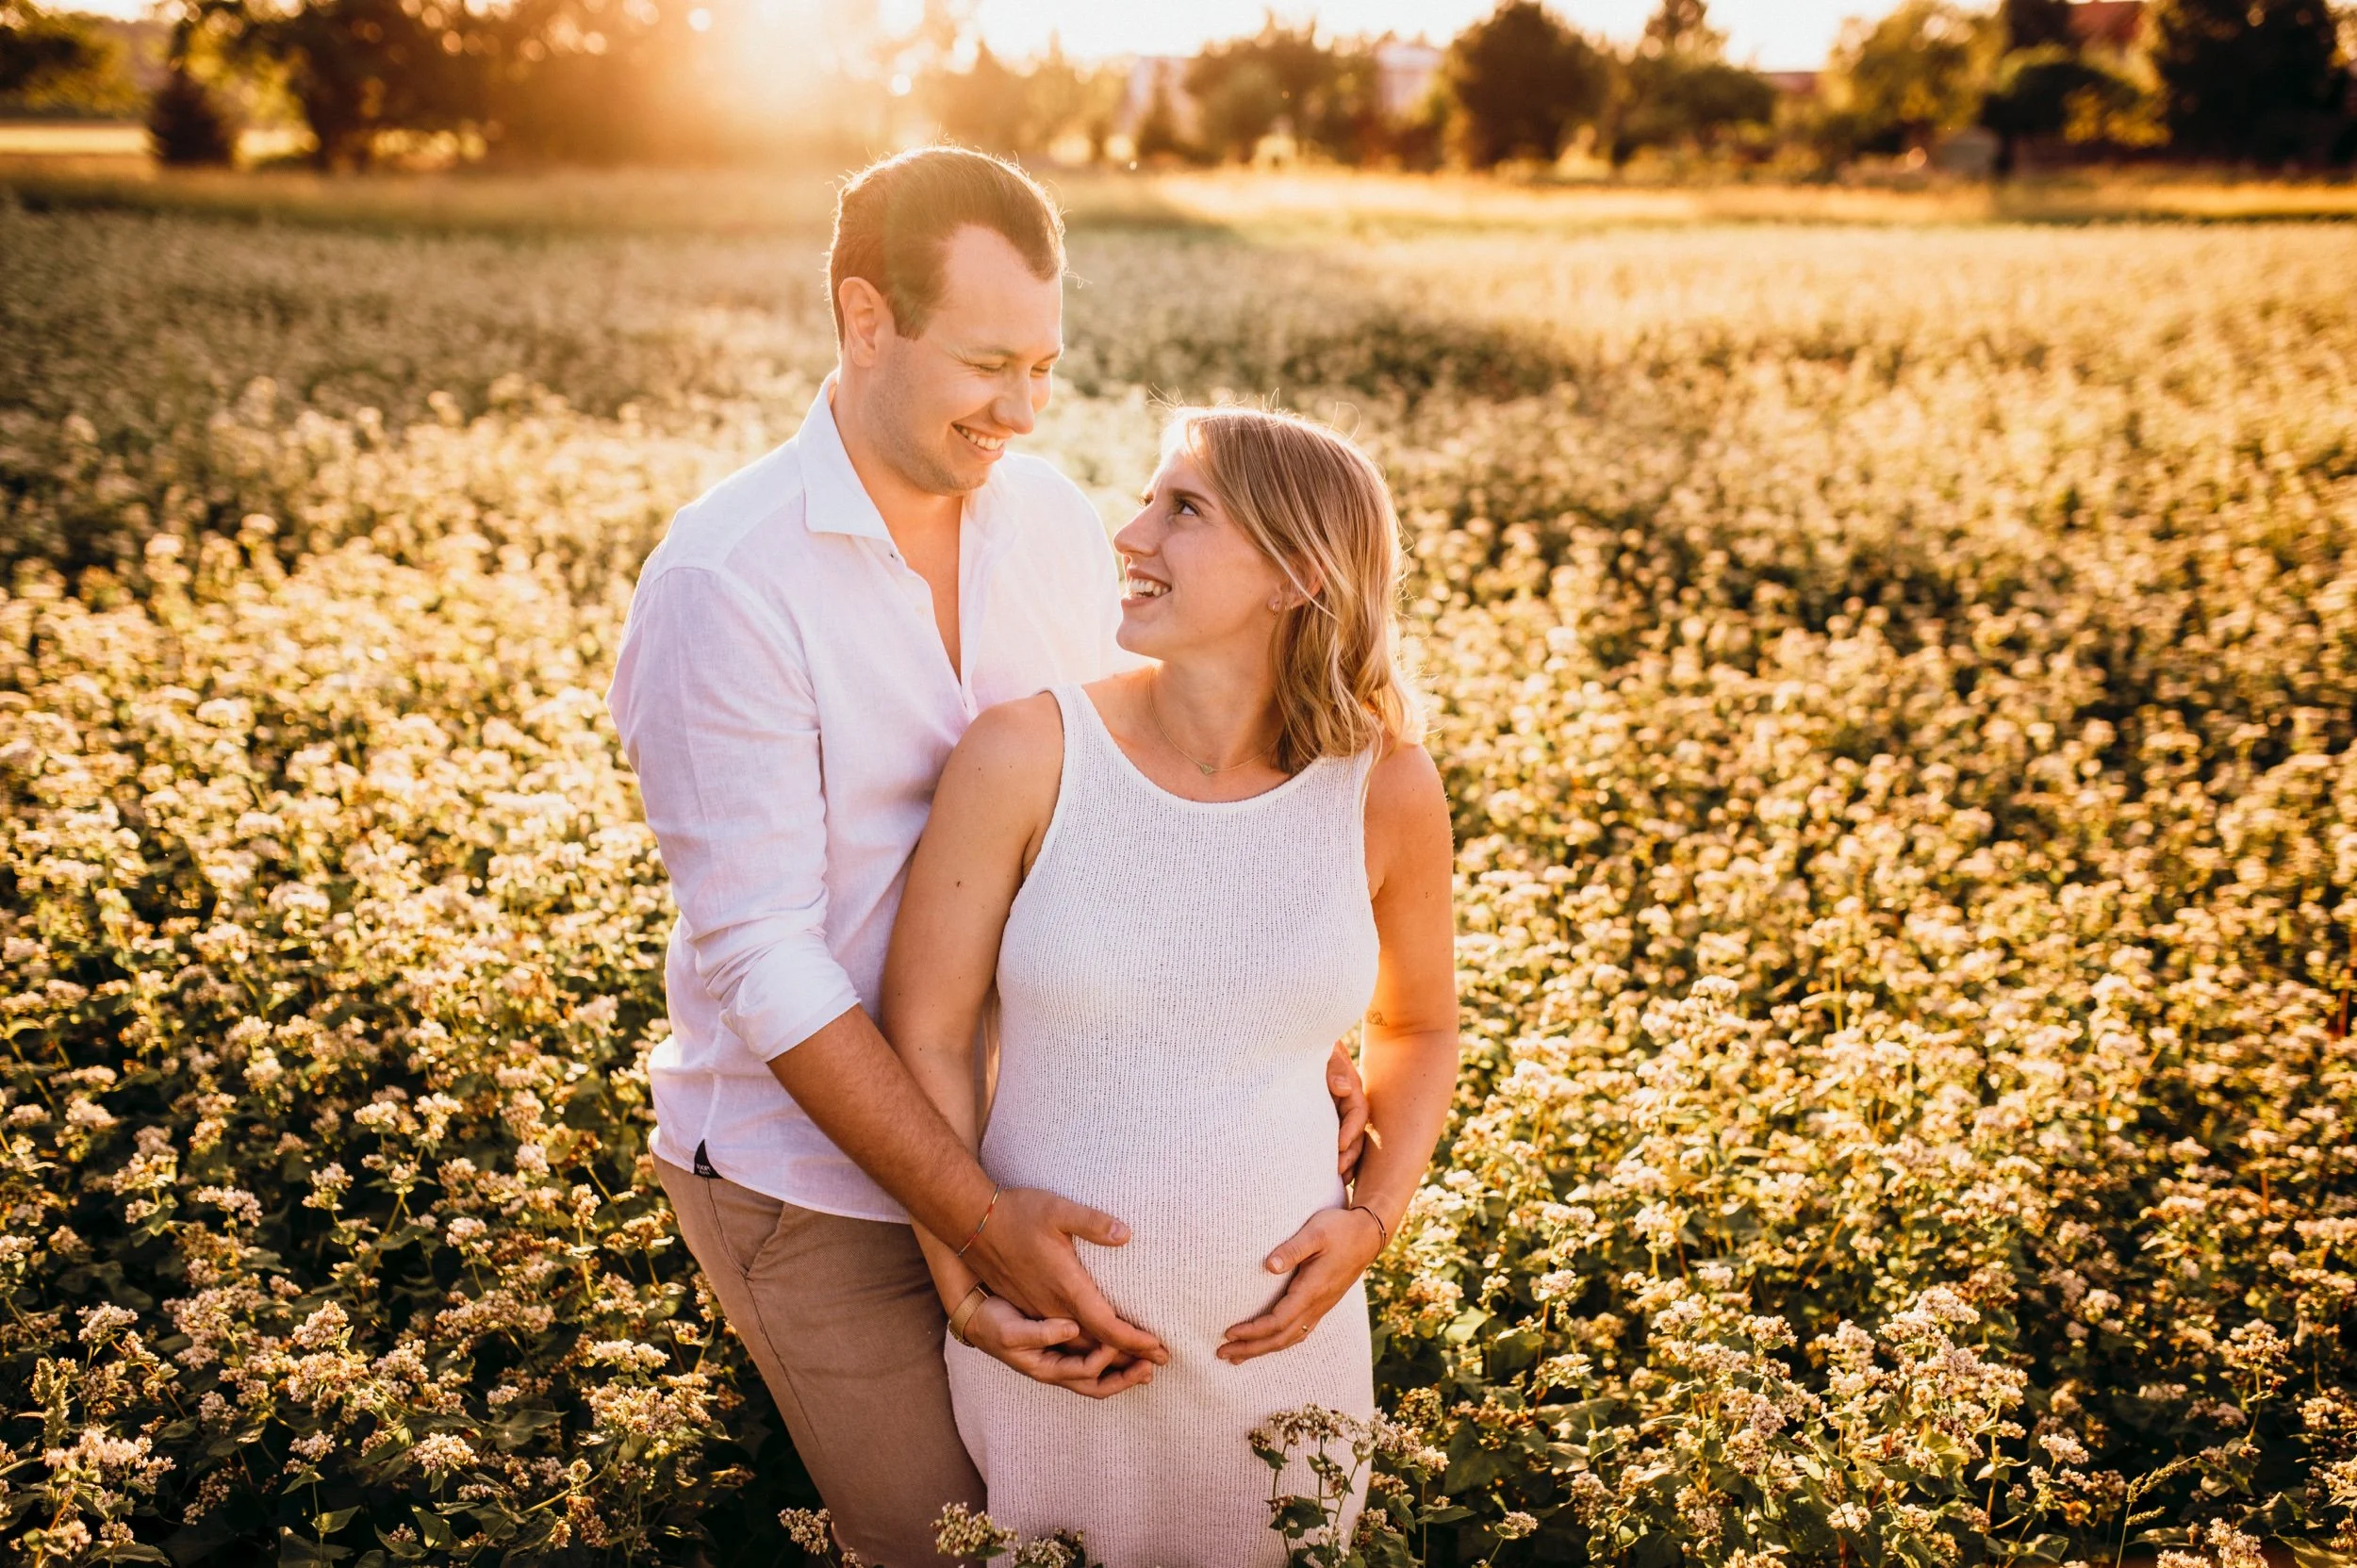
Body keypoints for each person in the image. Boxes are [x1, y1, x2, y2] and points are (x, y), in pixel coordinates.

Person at [604, 147, 1369, 1566]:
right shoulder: (728, 578)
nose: (1023, 410)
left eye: (1045, 365)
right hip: (808, 1178)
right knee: (955, 1544)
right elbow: (761, 955)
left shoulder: (1057, 521)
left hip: (1041, 1130)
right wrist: (967, 1222)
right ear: (865, 319)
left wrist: (1281, 1029)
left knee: (1096, 1521)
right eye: (986, 364)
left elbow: (1128, 807)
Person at [880, 405, 1462, 1564]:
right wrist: (966, 1285)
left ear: (1296, 573)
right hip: (1057, 1355)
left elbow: (1421, 1023)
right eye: (1148, 498)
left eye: (1181, 508)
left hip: (1286, 1361)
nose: (1129, 530)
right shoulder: (1026, 753)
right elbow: (929, 1036)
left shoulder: (1385, 783)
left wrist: (1370, 1222)